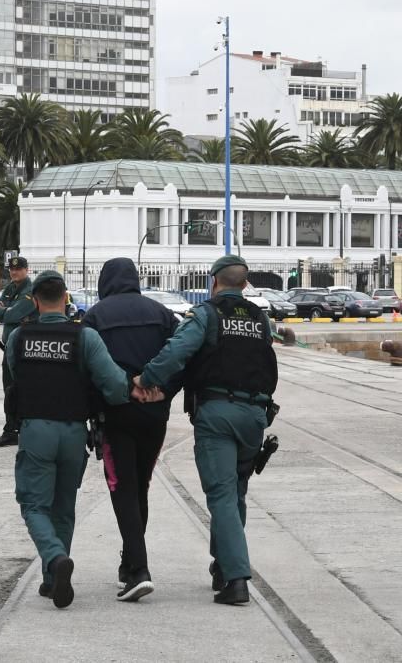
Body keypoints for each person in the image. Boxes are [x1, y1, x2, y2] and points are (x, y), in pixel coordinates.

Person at [134, 255, 278, 605]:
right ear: (244, 285)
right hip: (255, 416)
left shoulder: (205, 315)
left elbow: (176, 352)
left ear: (214, 282)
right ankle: (222, 564)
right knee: (236, 493)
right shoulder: (260, 319)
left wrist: (146, 378)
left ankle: (237, 579)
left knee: (222, 495)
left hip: (218, 414)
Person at [6, 270, 140, 609]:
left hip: (36, 430)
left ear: (35, 301)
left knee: (34, 505)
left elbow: (14, 377)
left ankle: (54, 560)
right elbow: (112, 384)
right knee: (63, 508)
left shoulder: (18, 337)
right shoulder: (86, 337)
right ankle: (53, 580)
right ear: (66, 299)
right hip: (73, 431)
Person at [82, 258, 179, 601]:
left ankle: (138, 569)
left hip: (116, 414)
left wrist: (93, 410)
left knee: (121, 487)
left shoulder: (96, 315)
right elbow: (182, 355)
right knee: (141, 486)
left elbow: (89, 369)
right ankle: (129, 562)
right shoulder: (162, 313)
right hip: (155, 414)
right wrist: (165, 392)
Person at [0, 256, 38, 447]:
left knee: (23, 390)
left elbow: (13, 314)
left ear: (27, 270)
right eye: (11, 269)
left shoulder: (29, 291)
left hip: (24, 349)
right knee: (9, 390)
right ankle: (11, 429)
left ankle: (22, 428)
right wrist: (7, 313)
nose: (14, 272)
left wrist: (6, 312)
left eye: (18, 269)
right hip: (9, 348)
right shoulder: (10, 288)